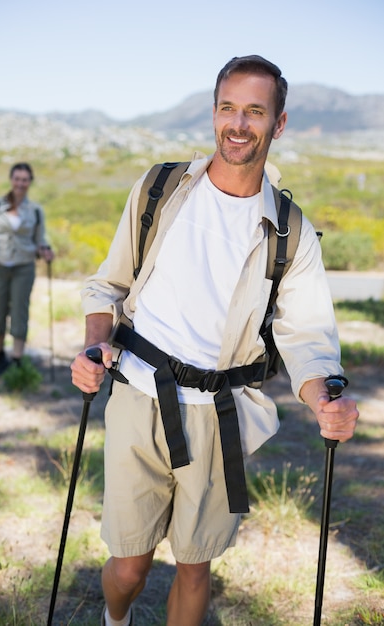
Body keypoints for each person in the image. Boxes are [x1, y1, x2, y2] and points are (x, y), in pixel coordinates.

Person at [70, 55, 359, 626]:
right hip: (136, 394)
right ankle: (116, 619)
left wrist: (325, 399)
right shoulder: (160, 188)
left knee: (195, 567)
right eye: (228, 107)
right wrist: (92, 349)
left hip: (217, 415)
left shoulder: (289, 231)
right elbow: (109, 284)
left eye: (255, 111)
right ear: (213, 114)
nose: (238, 123)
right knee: (128, 568)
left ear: (278, 124)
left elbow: (307, 338)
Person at [0, 162, 54, 374]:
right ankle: (0, 354)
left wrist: (46, 251)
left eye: (25, 179)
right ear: (11, 180)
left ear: (30, 182)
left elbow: (40, 240)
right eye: (17, 179)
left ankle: (17, 359)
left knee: (20, 311)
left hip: (24, 266)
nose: (20, 183)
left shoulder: (36, 211)